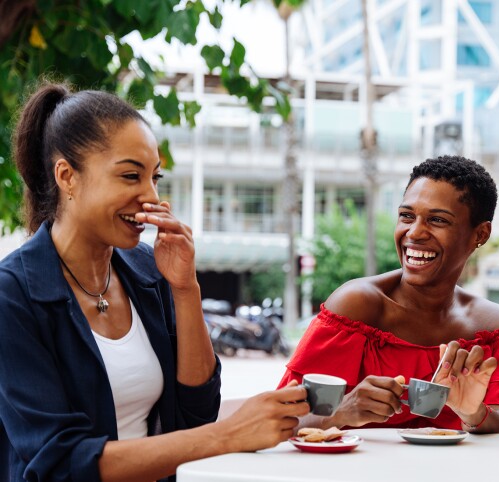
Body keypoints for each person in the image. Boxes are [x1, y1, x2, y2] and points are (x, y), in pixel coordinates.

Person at [0, 84, 309, 482]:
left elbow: (196, 412)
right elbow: (60, 462)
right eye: (131, 176)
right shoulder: (13, 295)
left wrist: (185, 289)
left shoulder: (148, 271)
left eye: (155, 178)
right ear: (67, 177)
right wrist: (228, 435)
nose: (152, 198)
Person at [278, 156, 499, 434]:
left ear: (481, 233)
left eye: (438, 220)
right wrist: (341, 412)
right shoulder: (356, 306)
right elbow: (281, 420)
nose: (414, 233)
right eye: (406, 216)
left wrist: (472, 412)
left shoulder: (489, 326)